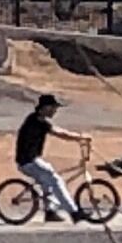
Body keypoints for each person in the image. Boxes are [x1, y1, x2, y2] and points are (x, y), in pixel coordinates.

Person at [15, 92, 90, 224]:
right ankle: (74, 212)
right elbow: (60, 133)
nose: (55, 111)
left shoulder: (36, 119)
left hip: (30, 160)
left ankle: (50, 212)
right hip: (28, 161)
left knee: (47, 182)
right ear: (45, 107)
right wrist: (80, 137)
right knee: (54, 178)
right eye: (53, 108)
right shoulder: (37, 121)